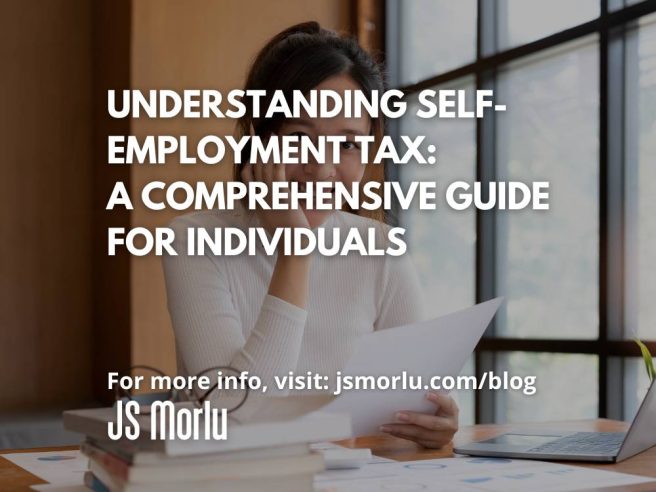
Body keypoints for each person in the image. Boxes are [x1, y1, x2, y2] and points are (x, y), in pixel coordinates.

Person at [163, 21, 458, 449]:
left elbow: (405, 410)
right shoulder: (193, 240)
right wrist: (295, 254)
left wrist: (434, 424)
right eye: (300, 138)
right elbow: (236, 416)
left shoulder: (380, 249)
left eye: (347, 144)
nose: (322, 169)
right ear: (257, 139)